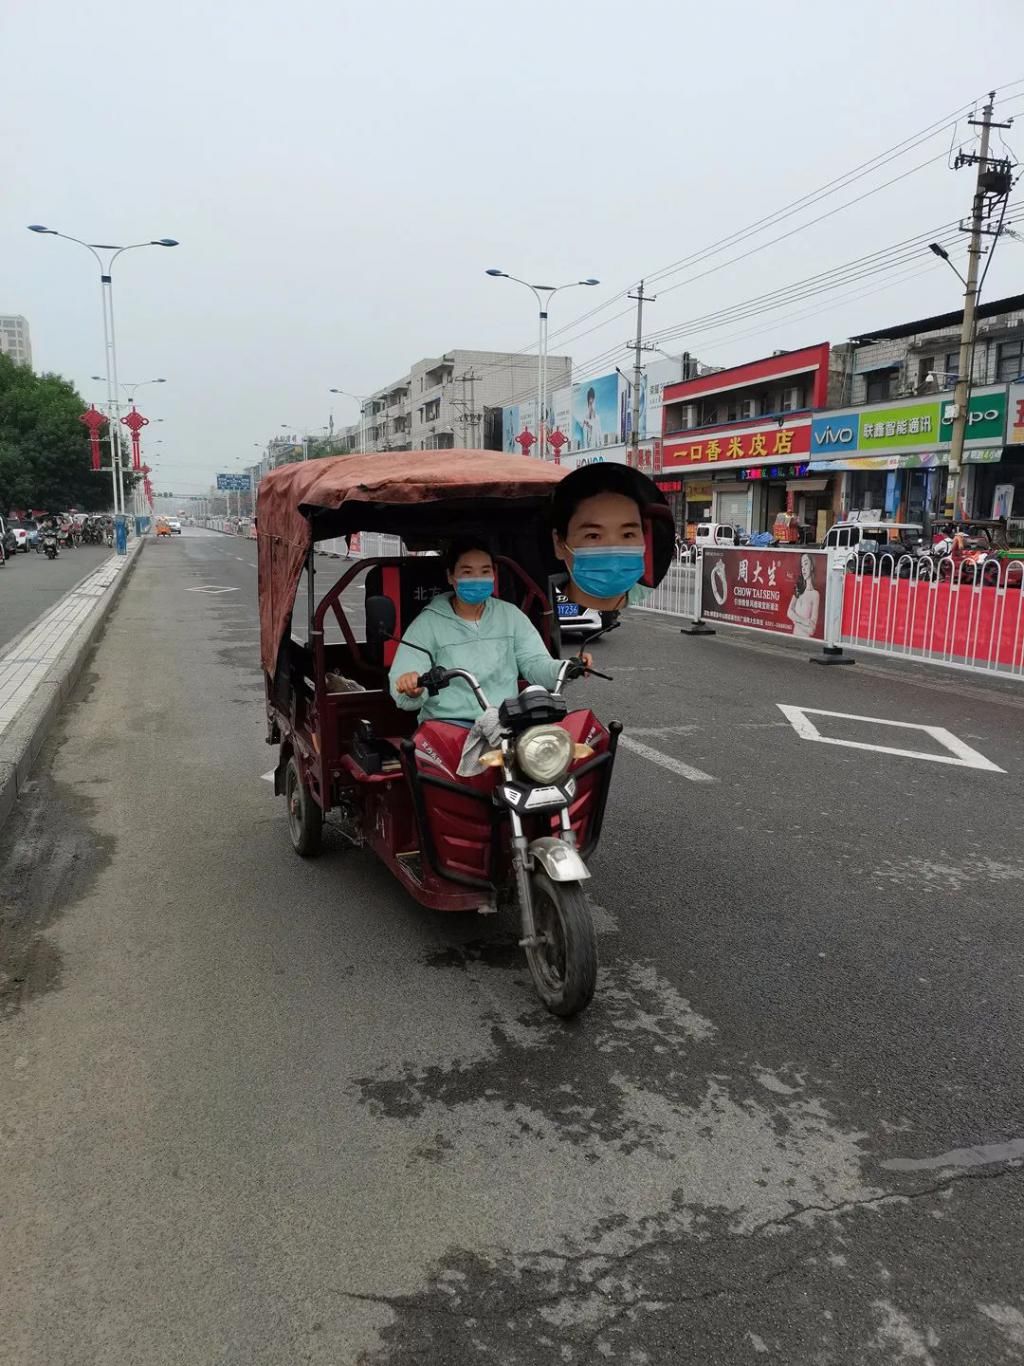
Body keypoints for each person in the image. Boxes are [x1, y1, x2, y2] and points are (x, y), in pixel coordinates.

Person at [390, 537, 590, 724]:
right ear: (451, 576)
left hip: (505, 722)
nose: (477, 578)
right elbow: (406, 676)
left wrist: (568, 667)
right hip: (448, 724)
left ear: (493, 575)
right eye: (467, 572)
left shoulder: (510, 615)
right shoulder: (427, 623)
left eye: (485, 571)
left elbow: (535, 663)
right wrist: (412, 688)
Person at [551, 462, 671, 612]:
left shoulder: (651, 603)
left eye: (628, 535)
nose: (613, 549)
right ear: (559, 544)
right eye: (593, 536)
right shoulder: (540, 605)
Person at [786, 553, 821, 638]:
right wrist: (805, 622)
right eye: (802, 566)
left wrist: (796, 622)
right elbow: (789, 612)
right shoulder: (799, 588)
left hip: (805, 640)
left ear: (811, 566)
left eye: (806, 564)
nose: (803, 569)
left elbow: (811, 630)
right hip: (793, 637)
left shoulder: (815, 595)